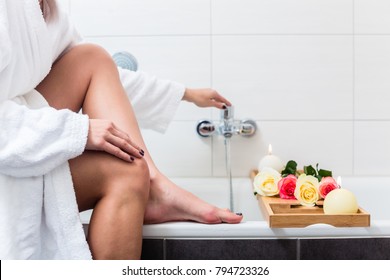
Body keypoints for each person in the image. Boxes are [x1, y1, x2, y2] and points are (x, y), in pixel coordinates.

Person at [0, 0, 242, 260]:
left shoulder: (46, 9)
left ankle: (156, 186)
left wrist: (186, 94)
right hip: (9, 147)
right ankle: (153, 187)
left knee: (91, 57)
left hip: (20, 137)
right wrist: (76, 130)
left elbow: (105, 76)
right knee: (127, 173)